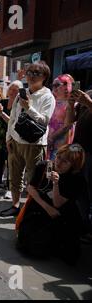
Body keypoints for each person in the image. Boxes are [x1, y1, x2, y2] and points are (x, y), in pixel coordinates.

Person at [1, 61, 56, 217]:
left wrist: (28, 108)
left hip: (35, 144)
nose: (31, 76)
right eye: (29, 72)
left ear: (44, 76)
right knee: (15, 175)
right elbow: (13, 117)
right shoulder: (22, 93)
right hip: (16, 142)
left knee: (33, 179)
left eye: (36, 73)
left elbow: (45, 120)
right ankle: (15, 206)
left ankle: (30, 210)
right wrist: (8, 138)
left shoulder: (48, 96)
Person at [17, 144, 86, 265]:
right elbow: (30, 188)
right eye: (58, 157)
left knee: (69, 254)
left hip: (62, 213)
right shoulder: (45, 166)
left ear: (73, 165)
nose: (58, 163)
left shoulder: (76, 178)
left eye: (65, 162)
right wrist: (46, 207)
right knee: (31, 245)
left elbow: (58, 203)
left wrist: (56, 184)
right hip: (40, 207)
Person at [0, 80, 23, 196]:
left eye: (15, 89)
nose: (12, 91)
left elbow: (13, 123)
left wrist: (2, 113)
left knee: (11, 164)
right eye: (11, 88)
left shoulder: (20, 106)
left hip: (12, 137)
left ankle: (9, 189)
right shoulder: (3, 101)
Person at [71, 89, 92, 243]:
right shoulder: (89, 93)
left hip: (91, 153)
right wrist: (71, 105)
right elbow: (71, 121)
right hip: (79, 151)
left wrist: (89, 103)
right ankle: (83, 228)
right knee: (80, 191)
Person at [47, 74, 76, 160]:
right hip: (49, 142)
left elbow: (67, 126)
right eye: (53, 85)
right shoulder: (52, 101)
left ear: (67, 85)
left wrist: (52, 138)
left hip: (61, 144)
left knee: (57, 166)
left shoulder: (71, 104)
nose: (54, 88)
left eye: (57, 85)